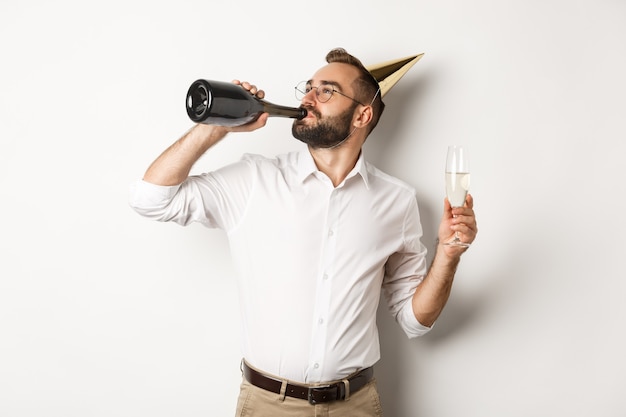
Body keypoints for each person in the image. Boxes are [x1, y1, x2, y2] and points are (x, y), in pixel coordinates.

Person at [129, 48, 477, 417]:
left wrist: (448, 255)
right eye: (308, 88)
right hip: (267, 406)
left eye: (326, 91)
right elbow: (150, 199)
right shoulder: (254, 180)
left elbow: (414, 321)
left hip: (355, 406)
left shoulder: (397, 201)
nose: (308, 98)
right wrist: (214, 128)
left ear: (362, 114)